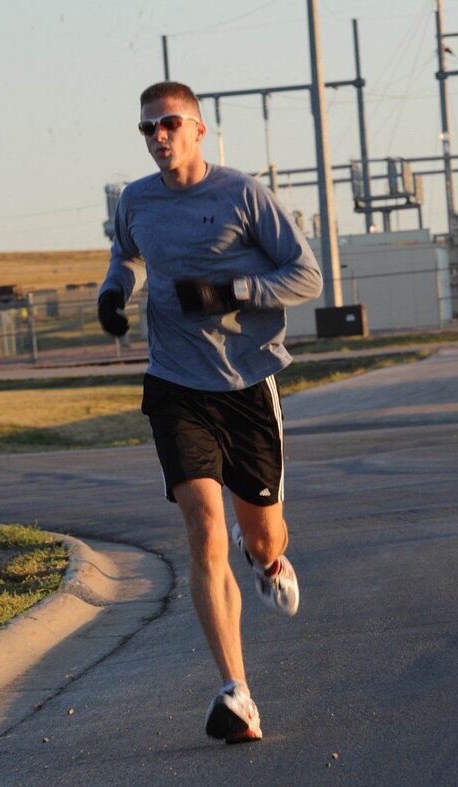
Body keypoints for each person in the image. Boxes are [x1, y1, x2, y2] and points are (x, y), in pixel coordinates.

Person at [98, 80, 323, 744]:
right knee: (202, 524)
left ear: (197, 129)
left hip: (248, 384)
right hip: (174, 384)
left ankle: (270, 563)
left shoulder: (241, 194)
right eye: (147, 129)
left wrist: (233, 289)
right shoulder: (136, 201)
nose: (158, 136)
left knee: (258, 536)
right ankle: (236, 692)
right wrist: (115, 289)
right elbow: (126, 252)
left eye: (169, 124)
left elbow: (304, 275)